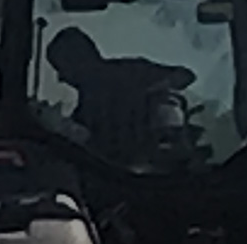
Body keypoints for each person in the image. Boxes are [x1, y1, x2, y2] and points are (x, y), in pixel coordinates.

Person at [44, 27, 198, 159]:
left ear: (78, 61)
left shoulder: (132, 72)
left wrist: (146, 95)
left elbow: (184, 76)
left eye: (62, 68)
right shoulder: (85, 108)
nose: (61, 78)